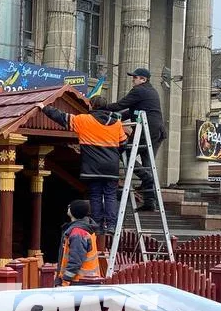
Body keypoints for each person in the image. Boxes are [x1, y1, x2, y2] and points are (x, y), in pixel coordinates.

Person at [41, 97, 127, 236]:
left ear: (91, 106)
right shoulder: (116, 124)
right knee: (110, 196)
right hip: (111, 167)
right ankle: (111, 225)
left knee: (95, 196)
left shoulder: (84, 120)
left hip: (93, 168)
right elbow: (123, 143)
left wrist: (44, 107)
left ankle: (97, 225)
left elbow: (62, 117)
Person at [111, 68, 166, 210]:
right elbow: (129, 112)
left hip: (147, 129)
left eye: (135, 77)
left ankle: (146, 178)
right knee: (148, 163)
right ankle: (150, 202)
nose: (132, 80)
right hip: (157, 131)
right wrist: (113, 117)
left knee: (126, 153)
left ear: (143, 79)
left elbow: (119, 105)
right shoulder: (150, 91)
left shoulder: (139, 90)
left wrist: (100, 110)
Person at [55, 199, 102, 286]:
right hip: (87, 279)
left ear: (74, 212)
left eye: (70, 207)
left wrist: (66, 279)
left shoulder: (77, 232)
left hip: (78, 281)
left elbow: (76, 260)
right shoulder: (86, 227)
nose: (68, 207)